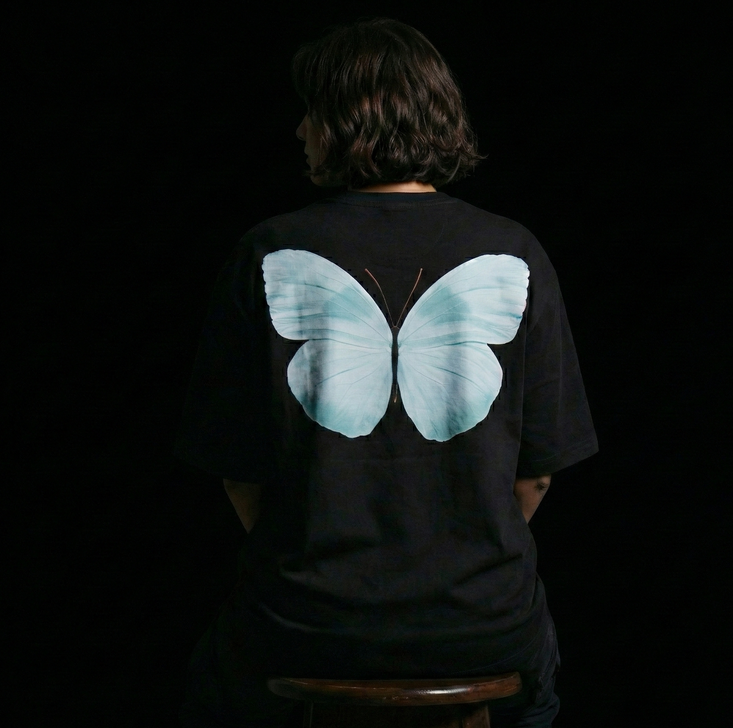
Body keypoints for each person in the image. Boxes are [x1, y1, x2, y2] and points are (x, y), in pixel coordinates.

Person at [173, 16, 598, 728]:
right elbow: (538, 476)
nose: (299, 130)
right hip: (480, 622)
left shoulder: (268, 252)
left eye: (311, 110)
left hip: (308, 621)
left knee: (210, 690)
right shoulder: (514, 253)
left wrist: (319, 572)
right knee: (537, 700)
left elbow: (237, 473)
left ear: (347, 119)